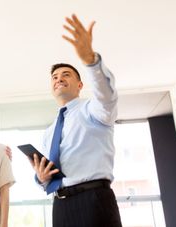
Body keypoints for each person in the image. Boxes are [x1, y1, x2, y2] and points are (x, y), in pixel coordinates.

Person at [31, 14, 122, 226]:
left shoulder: (94, 109)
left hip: (94, 200)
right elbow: (48, 174)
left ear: (80, 85)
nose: (59, 78)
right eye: (54, 77)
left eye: (66, 75)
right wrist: (41, 178)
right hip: (60, 205)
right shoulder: (49, 132)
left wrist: (90, 61)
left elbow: (106, 95)